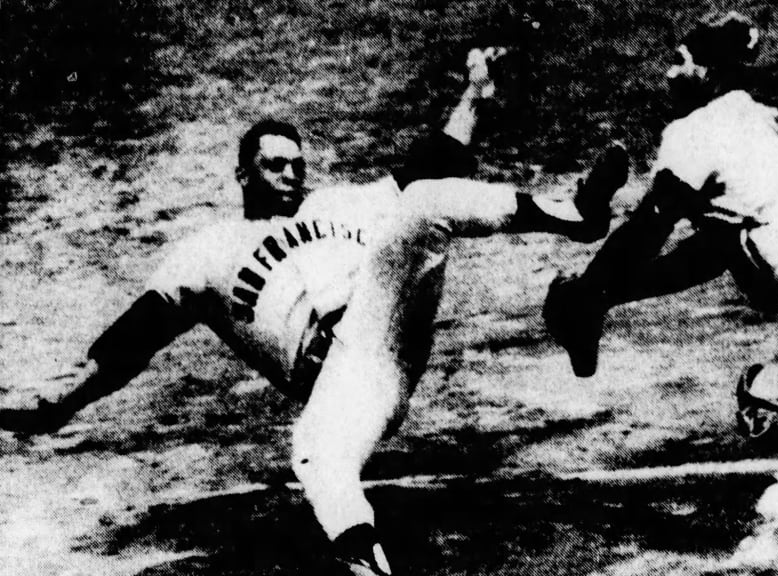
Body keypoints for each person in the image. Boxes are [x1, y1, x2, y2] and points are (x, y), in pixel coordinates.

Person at [0, 47, 629, 575]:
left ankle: (578, 215)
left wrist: (474, 94)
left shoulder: (340, 203)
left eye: (298, 166)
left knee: (421, 203)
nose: (291, 175)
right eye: (275, 166)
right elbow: (138, 334)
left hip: (387, 309)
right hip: (352, 380)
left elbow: (437, 165)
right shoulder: (206, 251)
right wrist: (64, 402)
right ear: (243, 174)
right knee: (315, 457)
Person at [543, 12, 778, 507]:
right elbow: (711, 253)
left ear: (707, 70)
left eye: (679, 62)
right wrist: (608, 294)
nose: (669, 75)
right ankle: (773, 388)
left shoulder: (696, 131)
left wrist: (589, 290)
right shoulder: (764, 123)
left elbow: (649, 227)